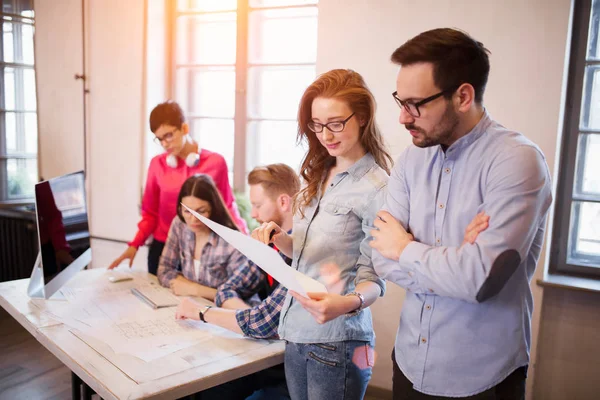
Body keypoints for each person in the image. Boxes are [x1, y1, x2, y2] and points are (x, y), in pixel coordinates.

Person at [370, 28, 553, 399]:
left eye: (415, 104)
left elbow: (480, 281)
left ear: (463, 96)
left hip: (481, 375)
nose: (404, 118)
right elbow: (379, 257)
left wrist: (407, 248)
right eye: (400, 101)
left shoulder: (517, 161)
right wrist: (456, 262)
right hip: (409, 362)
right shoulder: (410, 160)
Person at [251, 69, 392, 400]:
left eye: (335, 123)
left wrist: (346, 303)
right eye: (316, 124)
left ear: (363, 117)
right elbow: (305, 252)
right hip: (296, 331)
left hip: (338, 341)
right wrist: (278, 239)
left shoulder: (377, 187)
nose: (325, 134)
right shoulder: (319, 171)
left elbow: (376, 277)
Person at [175, 163, 300, 400]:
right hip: (265, 359)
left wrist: (200, 312)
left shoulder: (302, 252)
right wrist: (249, 317)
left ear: (283, 202)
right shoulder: (268, 241)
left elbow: (266, 323)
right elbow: (227, 290)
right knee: (209, 393)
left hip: (290, 371)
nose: (253, 214)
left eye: (258, 205)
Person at [108, 101, 247, 274]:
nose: (165, 144)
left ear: (184, 128)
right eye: (159, 139)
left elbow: (227, 207)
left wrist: (245, 240)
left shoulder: (215, 163)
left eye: (168, 135)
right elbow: (150, 213)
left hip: (203, 249)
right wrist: (134, 245)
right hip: (163, 247)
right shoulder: (157, 165)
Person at [157, 174, 261, 309]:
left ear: (213, 208)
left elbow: (239, 298)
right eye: (187, 211)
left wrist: (194, 289)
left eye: (201, 211)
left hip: (227, 315)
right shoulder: (179, 224)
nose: (193, 219)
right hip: (193, 307)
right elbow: (164, 270)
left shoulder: (232, 242)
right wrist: (183, 285)